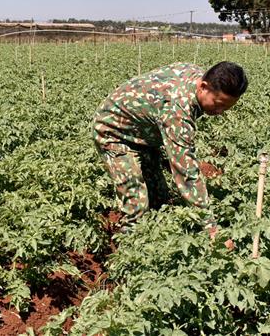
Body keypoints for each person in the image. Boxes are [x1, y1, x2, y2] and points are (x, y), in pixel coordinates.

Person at [91, 61, 247, 240]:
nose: (220, 112)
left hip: (143, 133)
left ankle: (155, 242)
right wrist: (211, 228)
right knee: (137, 206)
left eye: (227, 107)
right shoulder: (178, 110)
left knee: (159, 199)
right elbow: (186, 173)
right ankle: (128, 251)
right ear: (203, 87)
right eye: (218, 104)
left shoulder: (195, 75)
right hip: (113, 133)